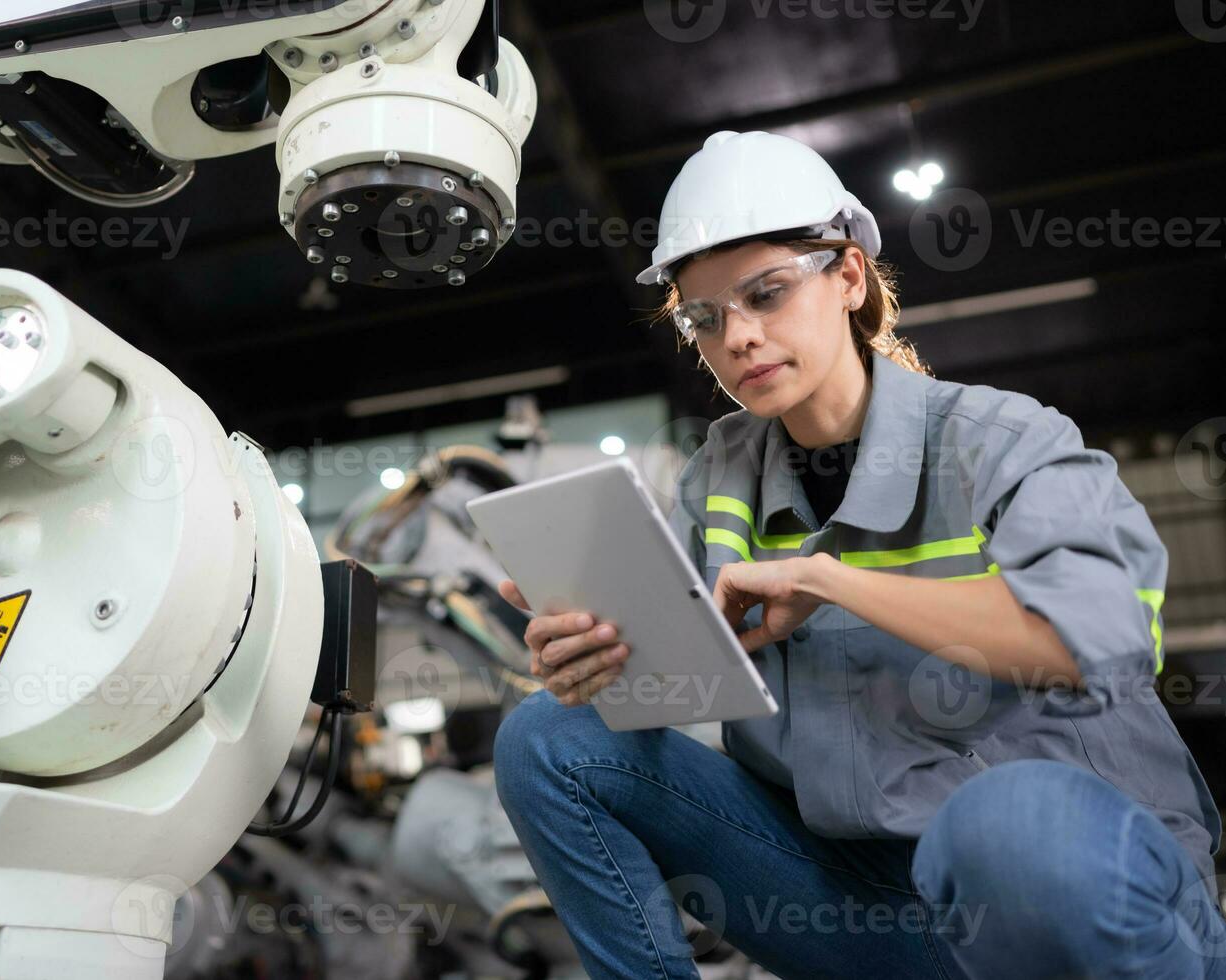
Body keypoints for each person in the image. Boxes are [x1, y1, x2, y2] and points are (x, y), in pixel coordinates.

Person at [491, 131, 1225, 979]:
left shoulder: (999, 440)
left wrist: (830, 579)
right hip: (874, 908)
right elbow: (682, 691)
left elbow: (1093, 641)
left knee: (1005, 824)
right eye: (703, 317)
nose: (736, 337)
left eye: (764, 294)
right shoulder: (715, 484)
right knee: (550, 737)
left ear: (846, 275)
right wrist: (599, 661)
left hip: (1084, 905)